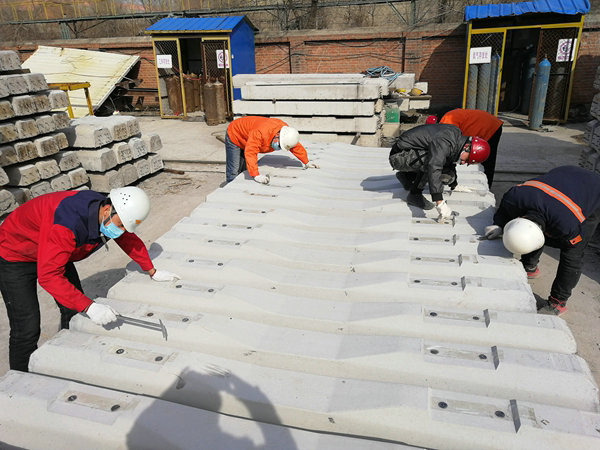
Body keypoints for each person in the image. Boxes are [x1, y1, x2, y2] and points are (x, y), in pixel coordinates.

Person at [0, 187, 180, 372]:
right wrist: (90, 307)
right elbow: (49, 276)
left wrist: (152, 270)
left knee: (73, 310)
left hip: (53, 246)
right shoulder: (67, 224)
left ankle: (66, 356)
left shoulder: (109, 212)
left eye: (125, 227)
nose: (121, 231)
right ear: (107, 210)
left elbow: (128, 240)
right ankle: (21, 378)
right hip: (15, 254)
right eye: (120, 225)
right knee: (27, 327)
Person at [483, 166, 600, 315]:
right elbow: (504, 211)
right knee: (538, 228)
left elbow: (571, 261)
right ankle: (529, 265)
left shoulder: (567, 226)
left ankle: (558, 302)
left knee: (573, 254)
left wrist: (558, 298)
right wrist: (498, 224)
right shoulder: (514, 198)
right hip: (564, 174)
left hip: (594, 188)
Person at [389, 123, 490, 221]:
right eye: (466, 160)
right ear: (467, 147)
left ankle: (407, 176)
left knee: (448, 177)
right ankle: (414, 194)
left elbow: (451, 160)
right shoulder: (445, 140)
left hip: (410, 153)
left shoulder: (456, 138)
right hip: (398, 156)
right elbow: (434, 166)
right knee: (430, 160)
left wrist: (454, 185)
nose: (463, 163)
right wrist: (439, 202)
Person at [225, 116, 319, 184]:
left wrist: (307, 162)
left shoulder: (285, 132)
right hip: (235, 134)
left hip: (247, 138)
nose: (278, 147)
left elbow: (294, 146)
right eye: (279, 145)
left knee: (244, 169)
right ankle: (230, 191)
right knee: (234, 169)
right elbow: (251, 152)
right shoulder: (260, 133)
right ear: (277, 135)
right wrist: (256, 175)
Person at [427, 108, 503, 187]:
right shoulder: (449, 116)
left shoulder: (447, 120)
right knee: (487, 159)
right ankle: (487, 183)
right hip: (490, 122)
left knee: (487, 159)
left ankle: (487, 185)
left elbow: (449, 146)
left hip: (489, 127)